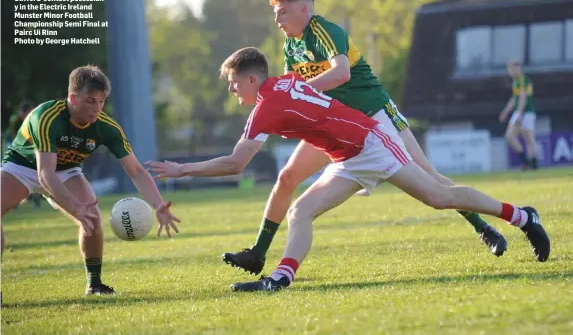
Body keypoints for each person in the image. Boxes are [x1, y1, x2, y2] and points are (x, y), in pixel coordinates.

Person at [146, 47, 550, 292]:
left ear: (252, 79)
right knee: (300, 210)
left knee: (439, 196)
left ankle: (521, 216)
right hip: (347, 157)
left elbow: (236, 164)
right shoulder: (281, 85)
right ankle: (280, 279)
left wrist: (180, 171)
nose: (232, 90)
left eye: (234, 83)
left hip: (372, 143)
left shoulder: (267, 106)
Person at [222, 0, 506, 275]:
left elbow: (341, 73)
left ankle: (483, 227)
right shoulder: (291, 44)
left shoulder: (323, 30)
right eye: (275, 13)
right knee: (287, 177)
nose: (277, 19)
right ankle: (258, 252)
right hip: (337, 125)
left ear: (303, 9)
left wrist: (300, 94)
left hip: (376, 114)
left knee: (431, 179)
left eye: (282, 12)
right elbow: (290, 89)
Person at [1, 65, 180, 296]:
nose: (97, 108)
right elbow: (45, 173)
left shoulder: (107, 127)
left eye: (101, 101)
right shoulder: (46, 116)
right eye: (90, 101)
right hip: (23, 166)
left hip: (66, 170)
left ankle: (94, 284)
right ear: (73, 98)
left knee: (92, 219)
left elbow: (135, 171)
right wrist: (74, 207)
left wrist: (158, 205)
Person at [2, 100, 42, 208]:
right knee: (12, 174)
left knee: (36, 172)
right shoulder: (15, 121)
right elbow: (17, 139)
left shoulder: (35, 118)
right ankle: (13, 202)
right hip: (12, 146)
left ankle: (36, 200)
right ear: (21, 112)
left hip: (29, 146)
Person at [499, 61, 538, 170]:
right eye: (510, 69)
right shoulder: (516, 81)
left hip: (526, 112)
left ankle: (531, 164)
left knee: (526, 138)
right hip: (521, 111)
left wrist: (519, 113)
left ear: (519, 69)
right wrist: (506, 111)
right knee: (514, 137)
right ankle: (528, 162)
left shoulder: (522, 80)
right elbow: (514, 98)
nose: (512, 71)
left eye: (514, 69)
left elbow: (523, 97)